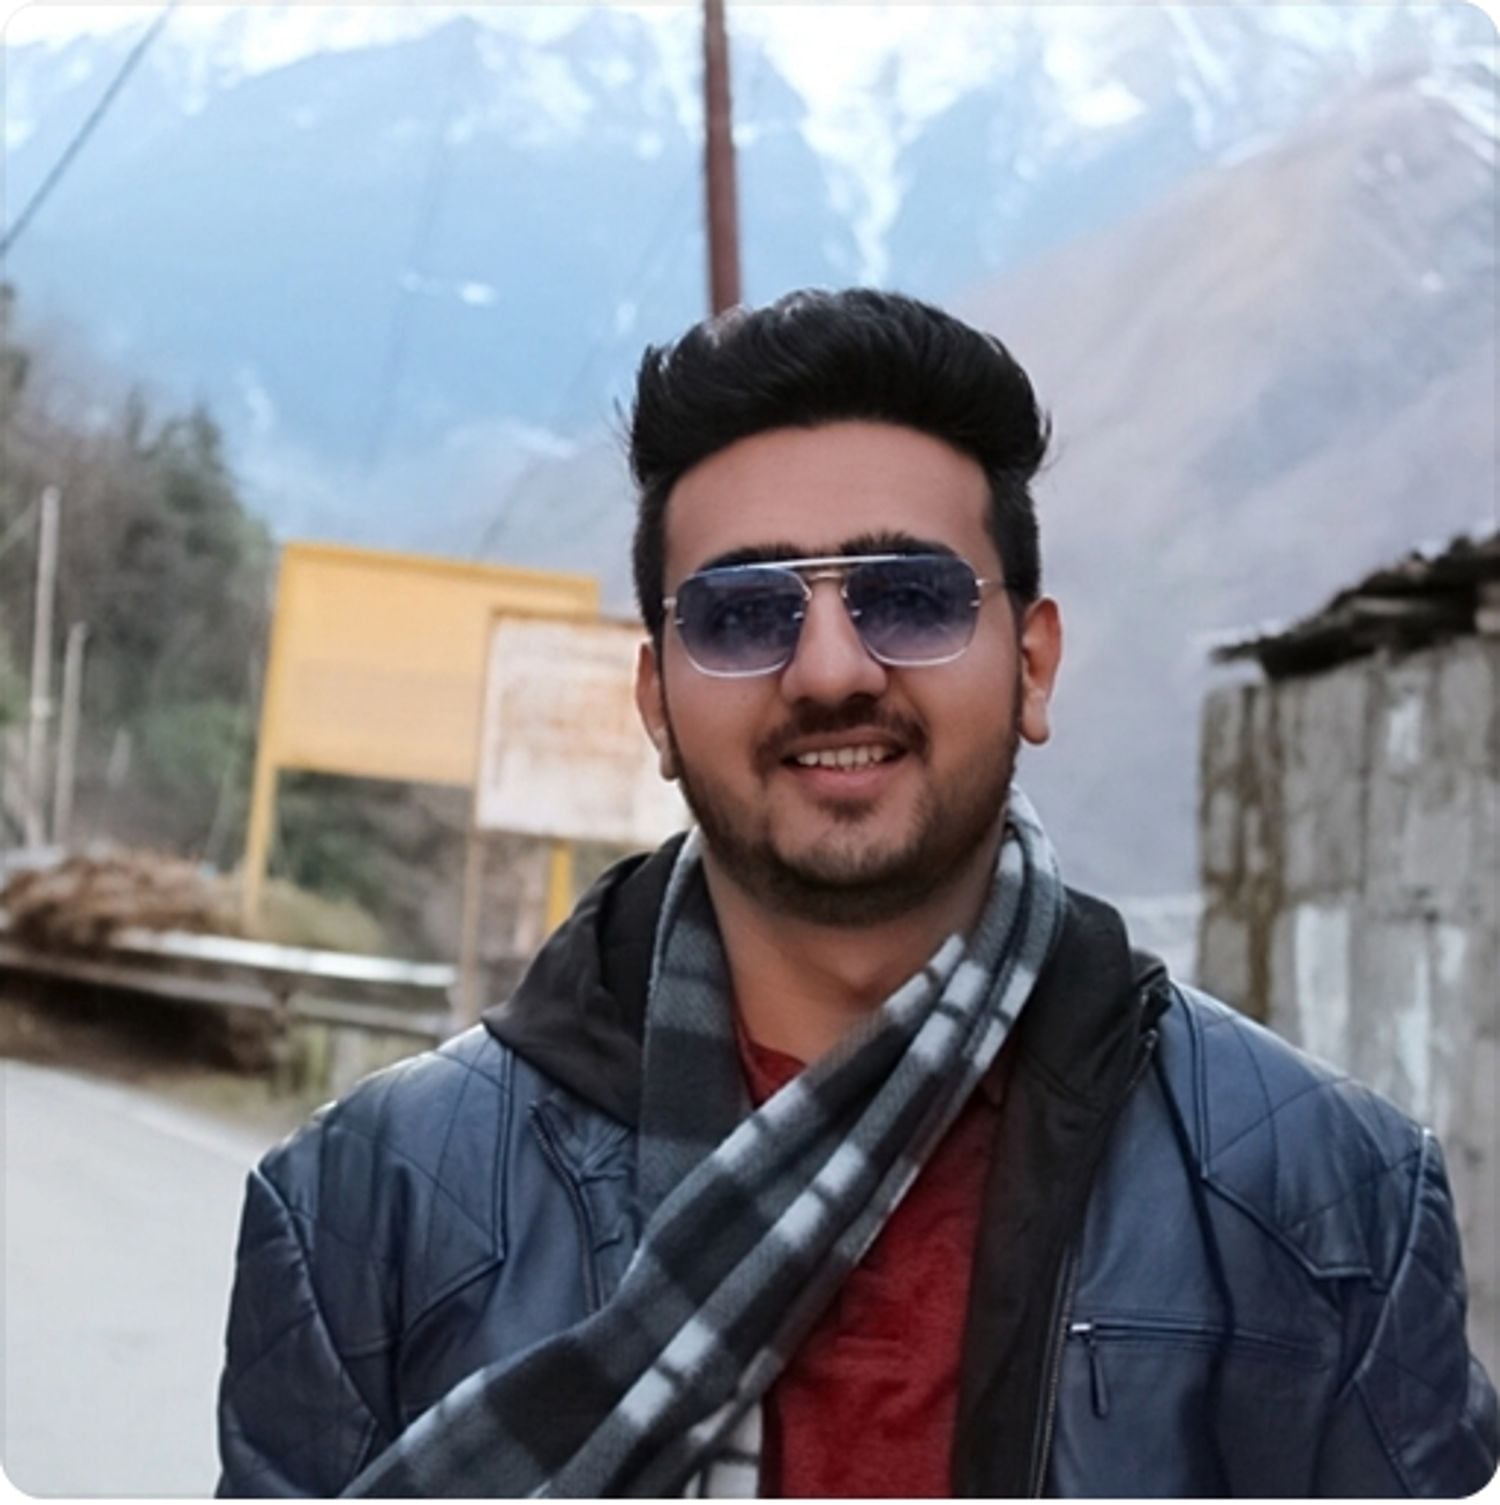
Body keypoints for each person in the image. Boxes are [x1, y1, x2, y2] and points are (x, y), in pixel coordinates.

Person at [216, 289, 1497, 1498]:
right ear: (656, 701)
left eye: (911, 598)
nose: (831, 670)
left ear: (1034, 665)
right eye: (741, 615)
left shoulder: (1328, 1202)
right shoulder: (371, 1202)